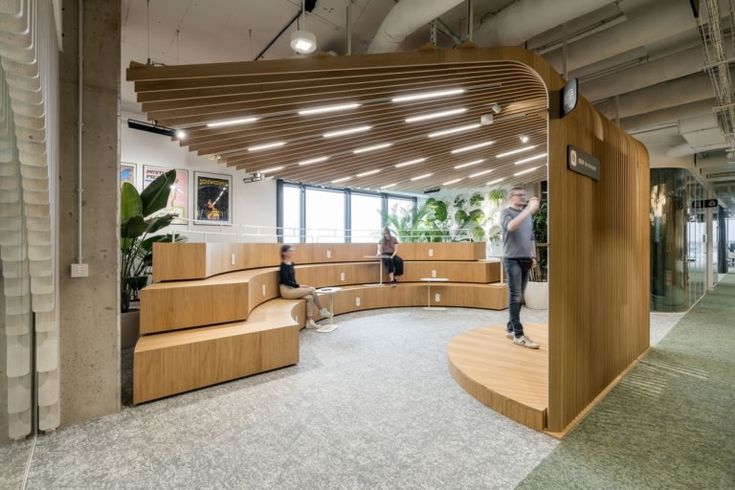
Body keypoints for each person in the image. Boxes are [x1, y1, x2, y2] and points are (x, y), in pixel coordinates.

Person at [501, 186, 540, 349]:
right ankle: (518, 334)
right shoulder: (506, 212)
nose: (523, 197)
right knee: (515, 296)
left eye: (525, 195)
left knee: (519, 295)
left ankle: (511, 328)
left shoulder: (527, 215)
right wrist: (529, 211)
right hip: (512, 259)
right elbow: (511, 227)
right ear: (511, 197)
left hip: (525, 258)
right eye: (519, 195)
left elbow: (531, 236)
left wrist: (533, 255)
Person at [279, 244, 332, 329]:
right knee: (312, 289)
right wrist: (299, 286)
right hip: (286, 291)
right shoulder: (283, 265)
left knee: (310, 297)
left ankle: (309, 321)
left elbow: (292, 279)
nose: (292, 252)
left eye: (292, 250)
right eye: (290, 251)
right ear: (284, 253)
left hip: (293, 289)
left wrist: (299, 287)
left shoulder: (291, 264)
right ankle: (321, 310)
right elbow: (286, 281)